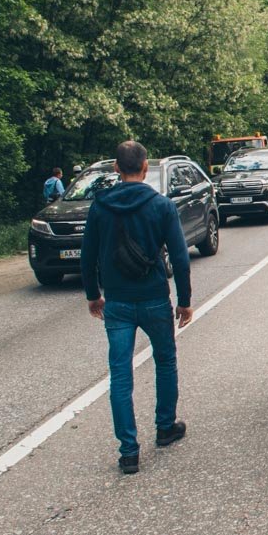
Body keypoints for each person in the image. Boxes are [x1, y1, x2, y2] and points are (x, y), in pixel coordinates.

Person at [81, 141, 193, 474]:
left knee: (120, 375)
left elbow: (88, 257)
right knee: (165, 360)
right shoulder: (161, 206)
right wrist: (184, 301)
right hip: (154, 298)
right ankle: (164, 427)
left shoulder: (100, 207)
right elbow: (181, 258)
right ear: (145, 169)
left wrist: (93, 295)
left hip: (116, 301)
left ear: (116, 168)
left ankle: (128, 452)